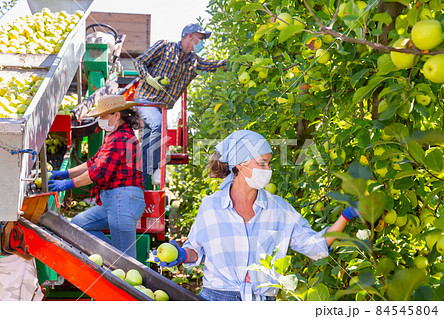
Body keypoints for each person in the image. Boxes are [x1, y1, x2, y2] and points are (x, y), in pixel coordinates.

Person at [151, 130, 359, 301]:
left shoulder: (279, 209)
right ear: (240, 165)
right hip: (216, 300)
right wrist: (181, 255)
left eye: (269, 163)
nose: (268, 169)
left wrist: (347, 215)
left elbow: (316, 247)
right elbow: (196, 250)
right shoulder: (211, 206)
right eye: (262, 163)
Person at [48, 95, 146, 259]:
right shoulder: (114, 136)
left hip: (123, 200)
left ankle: (120, 264)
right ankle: (114, 259)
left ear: (116, 115)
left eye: (103, 116)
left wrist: (67, 184)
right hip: (114, 202)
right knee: (79, 225)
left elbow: (98, 173)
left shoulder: (121, 138)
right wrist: (64, 174)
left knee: (127, 261)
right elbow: (92, 163)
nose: (100, 120)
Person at [133, 23, 227, 186]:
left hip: (160, 107)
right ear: (190, 36)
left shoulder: (194, 62)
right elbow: (140, 61)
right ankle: (155, 170)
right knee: (157, 127)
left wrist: (241, 62)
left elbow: (215, 65)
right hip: (145, 100)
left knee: (152, 139)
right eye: (201, 38)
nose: (203, 42)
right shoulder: (165, 47)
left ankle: (140, 180)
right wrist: (149, 79)